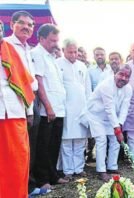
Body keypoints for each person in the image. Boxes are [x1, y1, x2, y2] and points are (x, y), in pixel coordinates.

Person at [3, 11, 42, 195]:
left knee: (23, 154)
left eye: (30, 25)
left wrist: (29, 111)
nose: (27, 27)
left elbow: (30, 80)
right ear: (12, 25)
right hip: (8, 109)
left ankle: (24, 188)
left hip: (23, 105)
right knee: (10, 158)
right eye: (22, 23)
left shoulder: (28, 48)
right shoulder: (6, 45)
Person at [31, 24, 68, 190]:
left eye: (56, 40)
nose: (55, 44)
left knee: (54, 145)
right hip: (48, 110)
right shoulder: (37, 54)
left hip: (59, 109)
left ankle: (53, 176)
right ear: (41, 39)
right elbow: (39, 83)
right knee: (43, 146)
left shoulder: (52, 57)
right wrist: (48, 107)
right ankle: (42, 180)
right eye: (52, 40)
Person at [80, 64, 132, 181]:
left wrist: (120, 125)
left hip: (111, 118)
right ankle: (101, 170)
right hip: (96, 116)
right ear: (115, 73)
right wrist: (117, 128)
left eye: (127, 76)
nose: (123, 78)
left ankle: (112, 166)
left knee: (115, 140)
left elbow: (125, 108)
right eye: (121, 74)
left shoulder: (129, 89)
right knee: (102, 140)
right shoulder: (106, 85)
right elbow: (109, 108)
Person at [56, 39, 88, 179]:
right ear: (63, 51)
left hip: (82, 108)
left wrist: (88, 108)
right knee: (67, 141)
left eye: (75, 52)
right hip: (66, 109)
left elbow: (88, 89)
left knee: (81, 141)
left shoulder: (82, 66)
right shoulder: (57, 64)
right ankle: (68, 171)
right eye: (70, 52)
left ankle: (79, 168)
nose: (74, 55)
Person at [85, 47, 112, 163]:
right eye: (97, 55)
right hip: (96, 107)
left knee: (109, 135)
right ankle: (90, 155)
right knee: (96, 136)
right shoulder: (90, 71)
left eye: (102, 54)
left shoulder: (111, 70)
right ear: (94, 56)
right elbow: (88, 88)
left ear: (105, 55)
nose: (100, 56)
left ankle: (107, 158)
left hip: (109, 106)